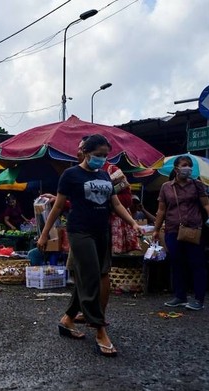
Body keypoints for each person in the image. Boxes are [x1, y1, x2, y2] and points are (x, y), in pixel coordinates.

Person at [36, 134, 141, 358]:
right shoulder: (70, 175)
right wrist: (44, 235)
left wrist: (133, 223)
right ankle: (100, 330)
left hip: (101, 231)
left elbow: (115, 204)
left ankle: (67, 320)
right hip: (80, 232)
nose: (101, 159)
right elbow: (57, 207)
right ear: (85, 153)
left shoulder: (104, 174)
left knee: (93, 275)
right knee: (92, 276)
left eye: (104, 156)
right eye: (97, 155)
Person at [153, 155, 209, 311]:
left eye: (189, 165)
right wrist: (156, 229)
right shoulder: (166, 187)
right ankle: (180, 296)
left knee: (197, 264)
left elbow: (207, 205)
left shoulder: (197, 185)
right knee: (176, 263)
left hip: (194, 229)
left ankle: (199, 299)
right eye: (184, 165)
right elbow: (161, 210)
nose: (188, 168)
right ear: (176, 168)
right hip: (172, 230)